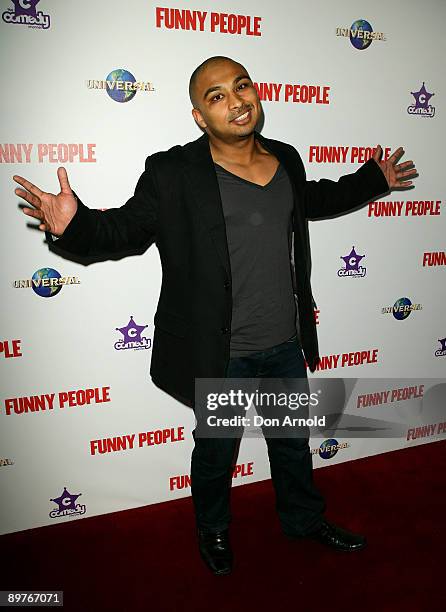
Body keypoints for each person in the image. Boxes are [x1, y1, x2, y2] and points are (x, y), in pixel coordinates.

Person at [13, 56, 417, 576]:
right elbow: (126, 231)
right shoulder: (174, 172)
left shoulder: (286, 159)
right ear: (199, 116)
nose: (236, 100)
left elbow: (312, 198)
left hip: (283, 344)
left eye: (241, 86)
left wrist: (371, 180)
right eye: (217, 95)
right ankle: (214, 530)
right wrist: (75, 225)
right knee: (216, 453)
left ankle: (301, 519)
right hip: (222, 352)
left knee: (292, 445)